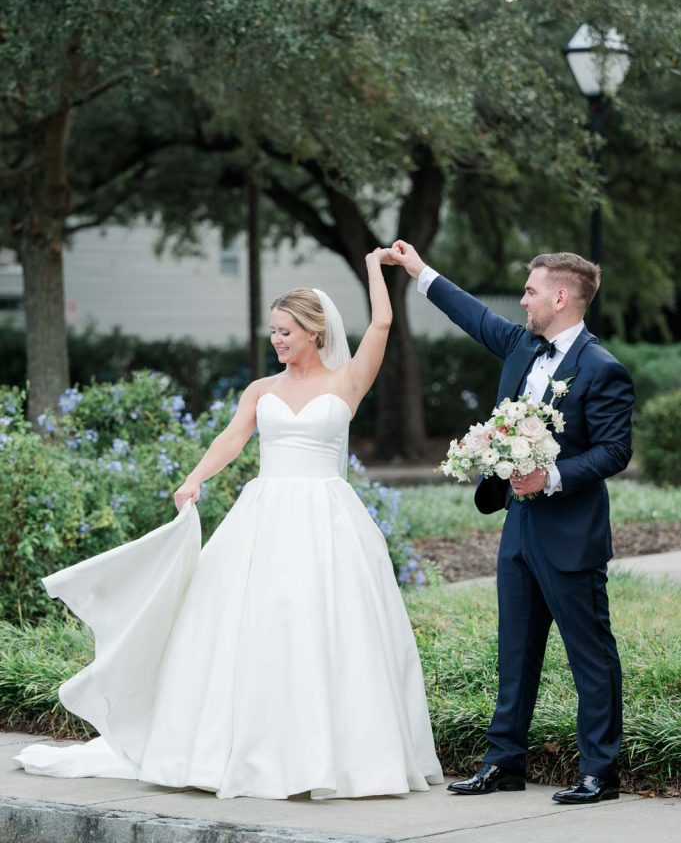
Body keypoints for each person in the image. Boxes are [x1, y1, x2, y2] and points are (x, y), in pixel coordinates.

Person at [15, 247, 443, 800]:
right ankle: (243, 748)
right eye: (273, 332)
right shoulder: (261, 391)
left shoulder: (348, 382)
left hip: (328, 521)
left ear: (315, 332)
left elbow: (382, 321)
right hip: (262, 518)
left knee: (326, 627)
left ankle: (333, 754)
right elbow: (232, 439)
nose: (277, 340)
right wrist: (195, 478)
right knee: (251, 628)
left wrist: (372, 266)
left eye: (286, 331)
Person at [389, 241, 633, 806]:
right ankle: (503, 763)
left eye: (530, 291)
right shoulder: (523, 346)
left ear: (561, 296)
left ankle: (600, 772)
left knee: (589, 654)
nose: (523, 300)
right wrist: (418, 270)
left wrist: (549, 476)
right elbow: (473, 315)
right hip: (518, 528)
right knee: (515, 651)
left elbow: (615, 452)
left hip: (571, 533)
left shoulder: (603, 370)